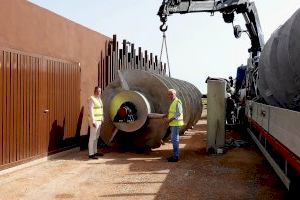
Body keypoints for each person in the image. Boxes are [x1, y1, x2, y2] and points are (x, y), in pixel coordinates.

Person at [165, 89, 184, 162]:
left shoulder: (177, 102)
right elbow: (172, 112)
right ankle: (175, 155)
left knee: (174, 140)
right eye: (169, 94)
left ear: (175, 94)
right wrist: (167, 115)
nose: (170, 96)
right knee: (174, 140)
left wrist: (170, 119)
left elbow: (178, 113)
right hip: (173, 124)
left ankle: (175, 157)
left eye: (171, 94)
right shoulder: (173, 102)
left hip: (176, 123)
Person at [88, 86, 104, 159]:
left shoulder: (99, 99)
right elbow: (91, 111)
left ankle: (95, 151)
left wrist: (102, 118)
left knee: (96, 137)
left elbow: (100, 109)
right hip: (94, 122)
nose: (98, 92)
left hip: (99, 121)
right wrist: (93, 121)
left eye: (100, 91)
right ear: (94, 91)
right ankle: (91, 154)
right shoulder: (92, 99)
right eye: (97, 91)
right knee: (92, 138)